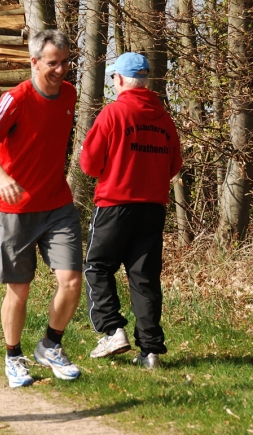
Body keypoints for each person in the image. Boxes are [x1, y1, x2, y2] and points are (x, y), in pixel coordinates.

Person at [0, 29, 83, 387]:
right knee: (19, 289)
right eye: (53, 63)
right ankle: (13, 356)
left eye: (66, 62)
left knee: (71, 281)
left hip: (58, 203)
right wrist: (1, 176)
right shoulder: (15, 98)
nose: (61, 69)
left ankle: (51, 345)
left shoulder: (70, 94)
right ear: (34, 62)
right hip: (17, 207)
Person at [80, 52, 182, 370]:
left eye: (113, 77)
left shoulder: (113, 114)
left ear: (122, 80)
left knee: (96, 267)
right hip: (153, 208)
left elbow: (89, 164)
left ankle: (112, 330)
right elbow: (174, 166)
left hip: (115, 205)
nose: (112, 82)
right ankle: (150, 352)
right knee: (144, 278)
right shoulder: (165, 119)